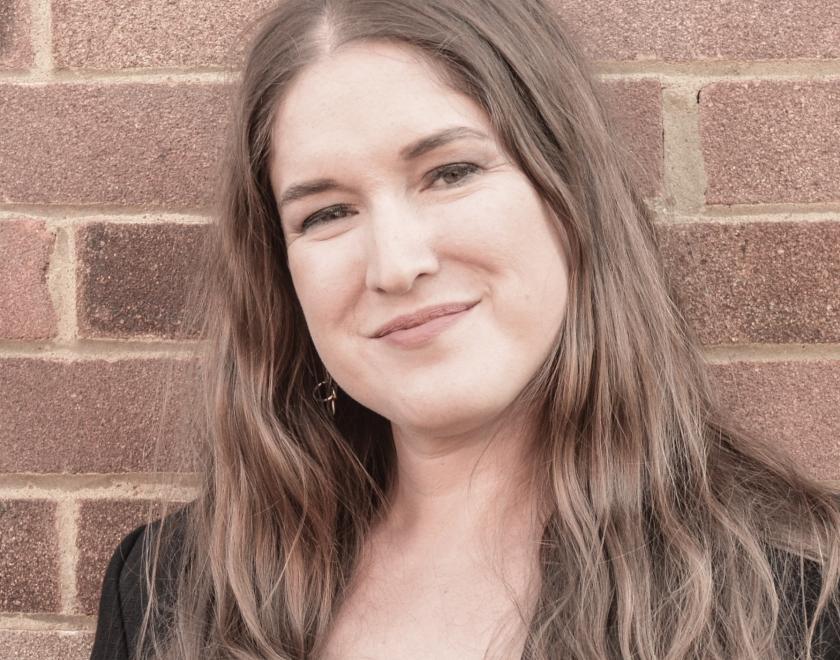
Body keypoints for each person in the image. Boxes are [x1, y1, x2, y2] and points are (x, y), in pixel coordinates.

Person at [89, 0, 840, 658]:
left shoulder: (797, 597)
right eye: (325, 213)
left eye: (450, 172)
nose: (396, 262)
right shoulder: (169, 591)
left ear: (568, 193)